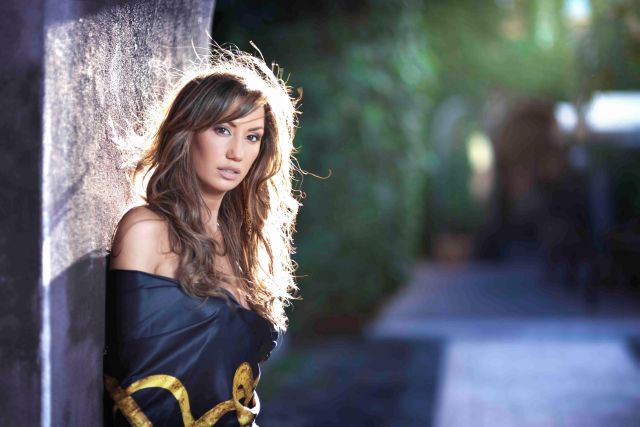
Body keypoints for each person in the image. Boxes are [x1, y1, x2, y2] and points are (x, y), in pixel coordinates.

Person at [103, 47, 301, 426]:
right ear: (187, 132)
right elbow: (135, 394)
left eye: (252, 137)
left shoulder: (244, 246)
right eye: (222, 130)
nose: (236, 152)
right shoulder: (147, 230)